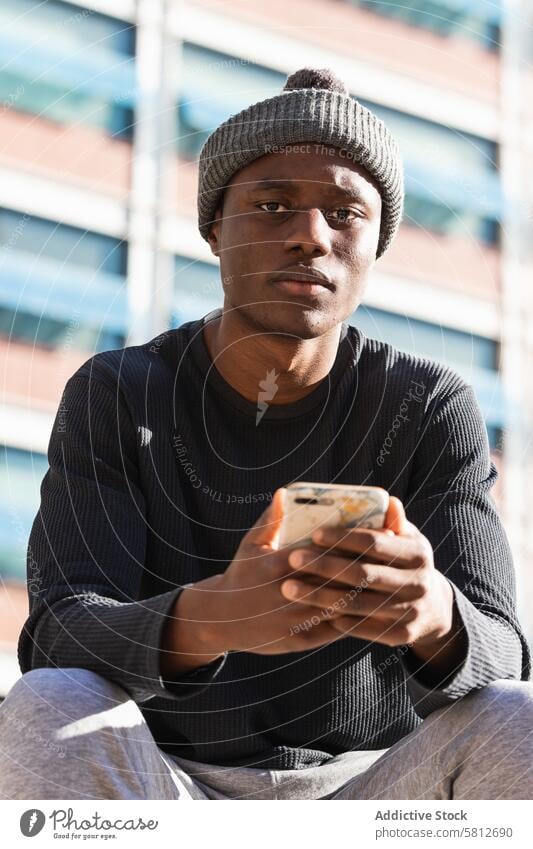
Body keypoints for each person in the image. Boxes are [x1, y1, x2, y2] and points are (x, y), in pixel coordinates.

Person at [0, 67, 531, 801]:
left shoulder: (428, 403)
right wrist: (216, 615)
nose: (310, 236)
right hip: (165, 783)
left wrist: (435, 615)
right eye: (272, 204)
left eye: (345, 213)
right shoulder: (120, 390)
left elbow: (505, 653)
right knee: (52, 702)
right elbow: (59, 635)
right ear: (215, 227)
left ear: (376, 245)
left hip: (369, 791)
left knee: (517, 716)